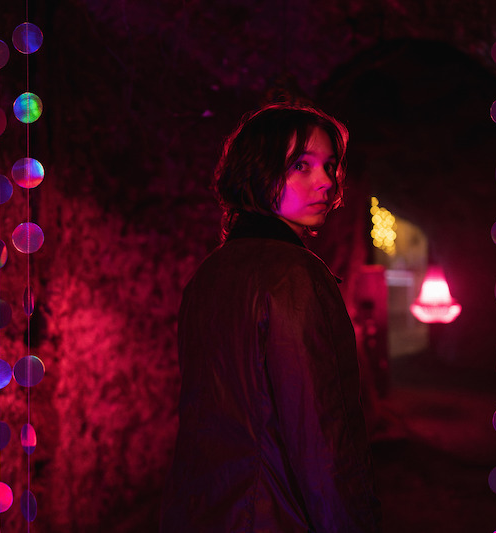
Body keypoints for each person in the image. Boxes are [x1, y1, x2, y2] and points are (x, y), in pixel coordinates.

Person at [160, 104, 381, 533]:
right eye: (301, 165)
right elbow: (323, 438)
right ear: (258, 171)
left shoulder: (209, 273)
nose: (327, 180)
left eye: (330, 166)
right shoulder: (297, 277)